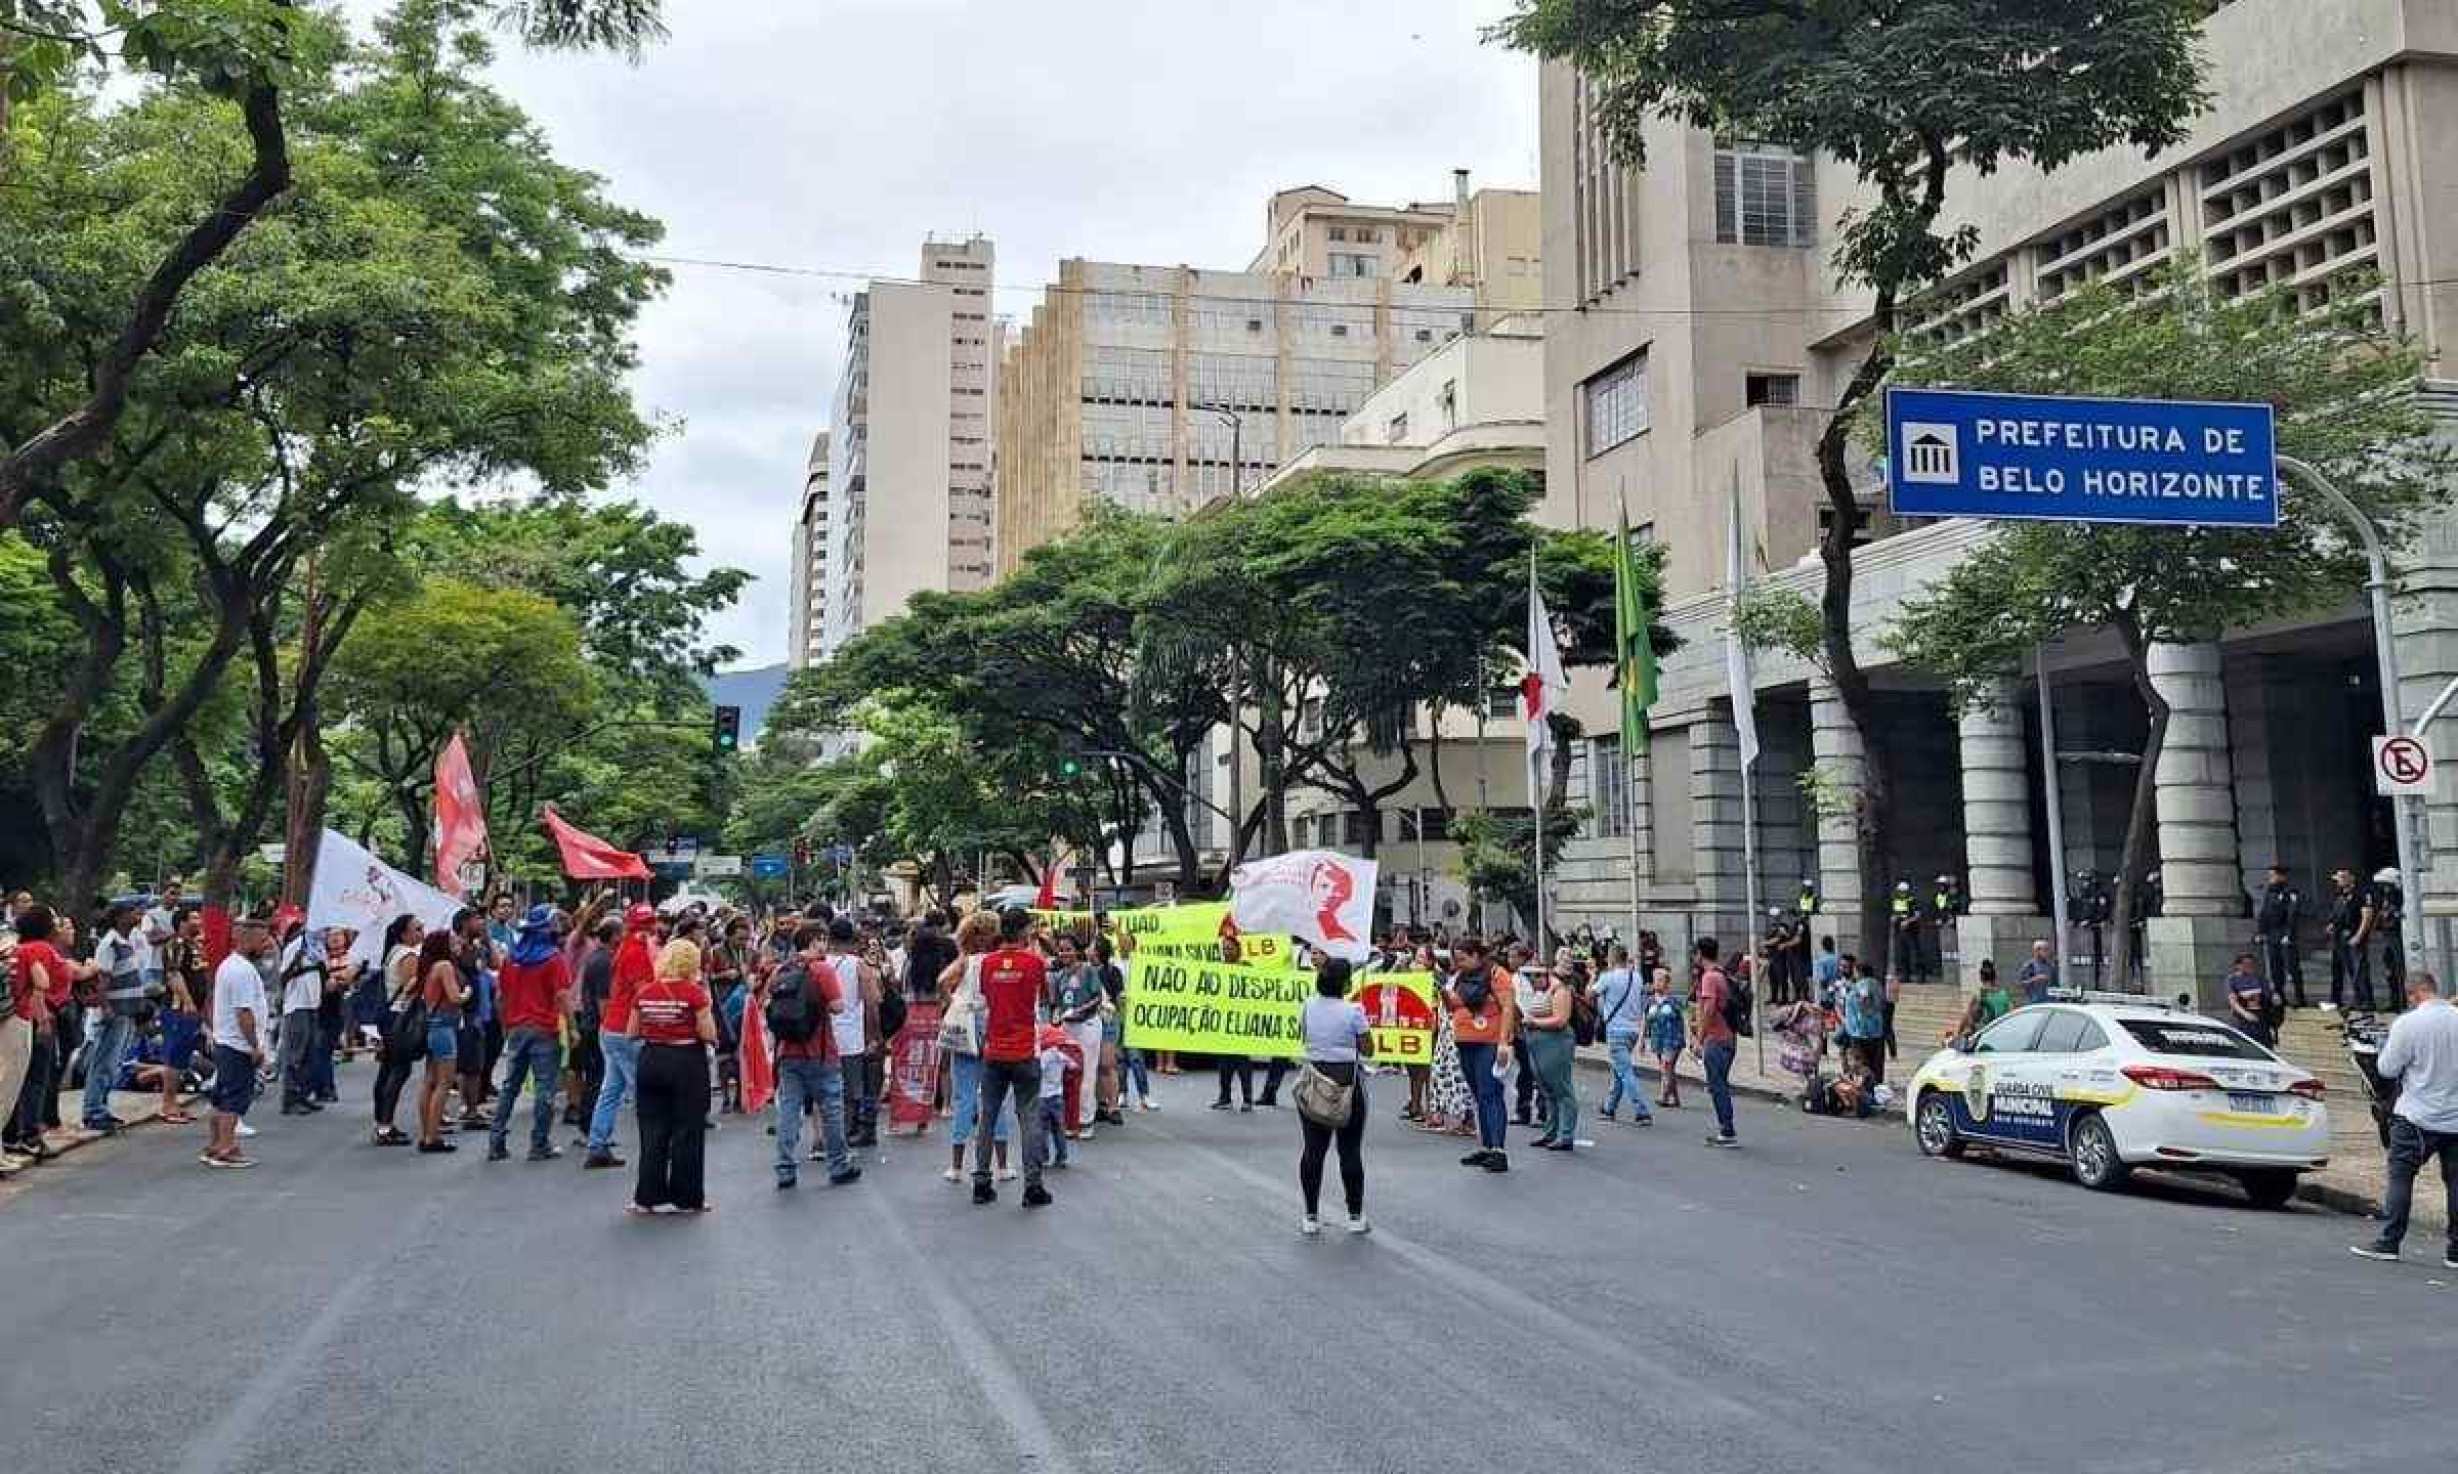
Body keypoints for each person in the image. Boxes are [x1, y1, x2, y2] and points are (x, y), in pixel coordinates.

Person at [2349, 971, 2458, 1269]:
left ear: (2414, 994)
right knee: (2456, 1183)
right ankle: (2456, 1250)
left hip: (2416, 1116)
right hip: (2455, 1117)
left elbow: (2386, 1068)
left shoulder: (2408, 1024)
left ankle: (2389, 1241)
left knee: (2401, 1177)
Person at [765, 919, 858, 1191]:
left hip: (787, 1051)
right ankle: (838, 1164)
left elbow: (770, 1006)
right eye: (822, 939)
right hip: (819, 1051)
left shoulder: (781, 969)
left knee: (789, 1111)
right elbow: (839, 1007)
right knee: (831, 1109)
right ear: (815, 940)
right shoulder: (822, 970)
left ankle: (785, 1168)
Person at [627, 939, 717, 1215]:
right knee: (688, 1129)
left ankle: (647, 1196)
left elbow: (632, 1032)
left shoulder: (644, 993)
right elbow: (708, 1033)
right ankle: (688, 1197)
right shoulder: (694, 994)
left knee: (652, 1129)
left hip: (651, 1060)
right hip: (686, 1061)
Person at [972, 909, 1053, 1209]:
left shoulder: (988, 964)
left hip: (994, 1049)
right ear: (1022, 932)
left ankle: (981, 1180)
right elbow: (1044, 997)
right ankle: (1033, 1185)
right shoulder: (1034, 963)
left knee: (988, 1116)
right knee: (1029, 1116)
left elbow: (986, 999)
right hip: (1024, 1050)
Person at [1295, 956, 1374, 1235]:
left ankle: (1310, 1215)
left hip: (1314, 1084)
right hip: (1347, 1088)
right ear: (1345, 983)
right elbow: (1368, 1049)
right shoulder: (1354, 1011)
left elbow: (1303, 1035)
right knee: (1349, 1151)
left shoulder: (1307, 1006)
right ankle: (1354, 1215)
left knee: (1313, 1150)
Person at [488, 906, 570, 1163]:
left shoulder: (512, 959)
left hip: (516, 1028)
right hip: (544, 1028)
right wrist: (573, 1027)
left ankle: (496, 1141)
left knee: (510, 1085)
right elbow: (562, 996)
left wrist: (506, 1025)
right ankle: (539, 1143)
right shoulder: (553, 959)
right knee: (545, 1089)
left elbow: (500, 997)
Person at [939, 910, 1013, 1184]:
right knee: (996, 1098)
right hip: (994, 1030)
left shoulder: (966, 961)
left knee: (964, 1099)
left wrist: (957, 1003)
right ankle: (1002, 1166)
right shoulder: (999, 961)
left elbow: (941, 983)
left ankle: (956, 1166)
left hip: (966, 1031)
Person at [584, 904, 660, 1170]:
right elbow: (644, 994)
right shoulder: (636, 953)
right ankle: (654, 1146)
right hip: (626, 1029)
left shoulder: (625, 948)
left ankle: (597, 1144)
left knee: (612, 1089)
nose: (650, 930)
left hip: (612, 1028)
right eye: (648, 925)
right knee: (641, 1089)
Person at [201, 914, 273, 1169]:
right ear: (248, 940)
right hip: (237, 1044)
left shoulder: (230, 966)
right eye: (263, 940)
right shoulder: (241, 970)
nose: (269, 944)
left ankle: (214, 1144)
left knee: (221, 1096)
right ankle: (226, 1147)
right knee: (234, 1098)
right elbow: (244, 1014)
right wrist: (255, 1046)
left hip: (225, 1041)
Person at [1, 907, 66, 1172]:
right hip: (17, 1019)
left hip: (6, 1015)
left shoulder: (11, 947)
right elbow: (41, 981)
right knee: (7, 1086)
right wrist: (43, 1016)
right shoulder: (35, 949)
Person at [1442, 936, 1514, 1171]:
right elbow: (1454, 1004)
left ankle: (1498, 1150)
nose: (1459, 964)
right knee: (1478, 1095)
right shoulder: (1462, 978)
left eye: (1463, 959)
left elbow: (1507, 1009)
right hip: (1466, 1041)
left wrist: (1503, 1042)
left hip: (1489, 1042)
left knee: (1490, 1093)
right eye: (1456, 959)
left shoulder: (1496, 975)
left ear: (1475, 955)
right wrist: (1441, 990)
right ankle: (1486, 1146)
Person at [86, 901, 151, 1133]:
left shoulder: (127, 942)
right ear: (119, 917)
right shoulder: (110, 944)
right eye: (132, 911)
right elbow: (102, 980)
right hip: (115, 1011)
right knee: (104, 1062)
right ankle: (94, 1110)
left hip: (126, 1011)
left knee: (113, 1063)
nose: (138, 915)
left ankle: (101, 1106)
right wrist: (106, 1008)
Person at [823, 917, 882, 1149]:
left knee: (827, 1086)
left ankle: (827, 1133)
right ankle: (846, 1131)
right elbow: (873, 1001)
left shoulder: (819, 963)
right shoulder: (858, 965)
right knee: (851, 1087)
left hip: (823, 1036)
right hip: (850, 1036)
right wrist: (874, 1036)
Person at [370, 915, 425, 1147]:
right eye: (417, 929)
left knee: (388, 1069)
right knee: (398, 1070)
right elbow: (411, 985)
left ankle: (381, 1122)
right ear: (404, 934)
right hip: (401, 1017)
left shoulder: (393, 951)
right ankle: (385, 1124)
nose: (422, 933)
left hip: (390, 1014)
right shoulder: (407, 955)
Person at [413, 929, 466, 1154]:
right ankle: (432, 1136)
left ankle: (427, 1132)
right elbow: (455, 997)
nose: (458, 944)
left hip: (433, 1024)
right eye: (452, 941)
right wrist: (468, 993)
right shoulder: (444, 966)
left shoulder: (429, 967)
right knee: (444, 1082)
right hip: (445, 1026)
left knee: (430, 1080)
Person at [1048, 932, 1105, 1139]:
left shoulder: (1088, 970)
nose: (1065, 953)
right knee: (1068, 1074)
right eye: (1061, 949)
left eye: (1069, 949)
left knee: (1087, 1073)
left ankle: (1086, 1120)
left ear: (1077, 951)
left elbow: (1097, 997)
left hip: (1087, 1026)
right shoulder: (1060, 974)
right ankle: (1070, 1121)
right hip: (1067, 1027)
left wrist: (1080, 1010)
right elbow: (1056, 1002)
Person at [1523, 956, 1581, 1152]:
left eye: (1537, 975)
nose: (1533, 980)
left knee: (1561, 1088)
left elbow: (1561, 1020)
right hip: (1537, 1043)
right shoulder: (1535, 990)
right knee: (1547, 1089)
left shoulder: (1559, 990)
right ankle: (1551, 1131)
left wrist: (1535, 1023)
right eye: (1530, 976)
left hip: (1555, 1042)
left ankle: (1566, 1134)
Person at [275, 925, 332, 1116]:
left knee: (309, 1052)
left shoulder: (318, 947)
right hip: (297, 1004)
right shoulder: (296, 946)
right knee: (295, 1053)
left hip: (313, 1003)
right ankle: (290, 1097)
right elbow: (282, 976)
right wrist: (297, 963)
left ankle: (303, 1094)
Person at [1594, 944, 1653, 1125]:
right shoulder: (1636, 977)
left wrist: (1591, 976)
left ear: (1611, 959)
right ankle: (1609, 1107)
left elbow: (1591, 992)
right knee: (1619, 1069)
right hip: (1633, 1029)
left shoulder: (1607, 978)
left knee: (1625, 1071)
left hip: (1616, 1029)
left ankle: (1642, 1110)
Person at [1694, 937, 1739, 1148]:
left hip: (1716, 1038)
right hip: (1729, 1037)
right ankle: (1726, 1127)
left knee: (1717, 1086)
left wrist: (1699, 1038)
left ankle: (1727, 1129)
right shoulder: (1723, 974)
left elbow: (1709, 1009)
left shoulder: (1709, 978)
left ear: (1700, 954)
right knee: (1720, 1084)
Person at [2256, 864, 2307, 1008]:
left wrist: (2288, 934)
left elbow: (2292, 914)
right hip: (2272, 934)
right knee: (2275, 967)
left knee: (2291, 966)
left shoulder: (2290, 892)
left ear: (2282, 876)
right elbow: (2264, 913)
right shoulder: (2270, 893)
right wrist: (2261, 932)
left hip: (2284, 933)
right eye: (2270, 876)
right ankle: (2280, 996)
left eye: (2273, 876)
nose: (2270, 879)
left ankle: (2299, 997)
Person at [2327, 867, 2376, 1011]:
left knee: (2359, 970)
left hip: (2353, 935)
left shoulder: (2361, 894)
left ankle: (2366, 1001)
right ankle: (2351, 998)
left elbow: (2367, 916)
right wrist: (2331, 925)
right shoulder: (2340, 895)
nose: (2339, 882)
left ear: (2351, 879)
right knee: (2345, 970)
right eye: (2338, 879)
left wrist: (2359, 936)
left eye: (2342, 878)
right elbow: (2337, 914)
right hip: (2340, 937)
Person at [1644, 968, 1686, 1110]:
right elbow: (1645, 1020)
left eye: (1660, 980)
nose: (1657, 983)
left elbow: (1683, 1019)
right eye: (1655, 980)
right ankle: (1675, 1097)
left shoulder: (1673, 1001)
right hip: (1658, 1039)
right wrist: (1641, 1040)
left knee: (1666, 1065)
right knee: (1668, 1069)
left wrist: (1691, 1038)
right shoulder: (1650, 1001)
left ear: (1667, 984)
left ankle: (1663, 1096)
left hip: (1673, 1038)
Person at [1034, 1022, 1074, 1169]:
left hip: (1042, 1096)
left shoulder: (1045, 1056)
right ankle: (1062, 1156)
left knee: (1042, 1129)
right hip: (1057, 1095)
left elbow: (1037, 1071)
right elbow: (1073, 1065)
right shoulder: (1061, 1055)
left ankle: (1044, 1157)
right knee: (1059, 1128)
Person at [1944, 959, 2013, 1043]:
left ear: (1981, 978)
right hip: (2002, 1038)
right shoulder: (2004, 995)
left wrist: (1958, 1035)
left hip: (1984, 1039)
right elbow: (2011, 1015)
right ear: (1995, 977)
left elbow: (1966, 1018)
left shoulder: (1979, 996)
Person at [2223, 952, 2274, 1048]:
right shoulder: (2233, 980)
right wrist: (2245, 1014)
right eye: (2246, 964)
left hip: (2260, 1018)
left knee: (2265, 1045)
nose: (2250, 967)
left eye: (2251, 964)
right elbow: (2233, 1001)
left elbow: (2268, 997)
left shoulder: (2260, 979)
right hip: (2243, 1020)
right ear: (2238, 965)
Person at [2017, 938, 2057, 1007]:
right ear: (2037, 951)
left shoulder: (2050, 966)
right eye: (2045, 950)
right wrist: (2036, 979)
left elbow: (2055, 985)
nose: (2048, 953)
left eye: (2047, 950)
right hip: (2035, 1002)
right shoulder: (2030, 966)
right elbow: (2021, 983)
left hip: (2049, 1002)